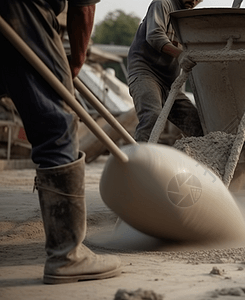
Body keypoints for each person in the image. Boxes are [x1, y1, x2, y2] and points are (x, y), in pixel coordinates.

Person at [0, 0, 121, 284]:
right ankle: (67, 256)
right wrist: (76, 61)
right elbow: (83, 6)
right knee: (57, 122)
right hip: (22, 9)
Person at [127, 0, 204, 143]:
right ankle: (142, 161)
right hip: (146, 73)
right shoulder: (163, 3)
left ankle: (197, 162)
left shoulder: (190, 17)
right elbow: (154, 35)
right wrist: (180, 55)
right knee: (152, 117)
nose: (193, 1)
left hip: (170, 83)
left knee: (198, 125)